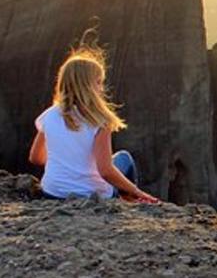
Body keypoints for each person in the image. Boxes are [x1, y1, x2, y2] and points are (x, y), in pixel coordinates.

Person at [28, 41, 159, 203]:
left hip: (52, 192)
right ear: (87, 86)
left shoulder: (49, 115)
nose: (102, 88)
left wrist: (68, 161)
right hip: (91, 195)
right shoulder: (99, 120)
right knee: (124, 159)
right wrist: (138, 191)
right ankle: (130, 200)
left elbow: (36, 158)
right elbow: (105, 171)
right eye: (99, 82)